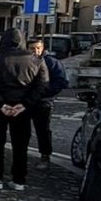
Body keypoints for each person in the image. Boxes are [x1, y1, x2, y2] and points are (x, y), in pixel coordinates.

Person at [0, 29, 49, 191]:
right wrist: (25, 104)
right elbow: (42, 85)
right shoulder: (37, 61)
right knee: (21, 145)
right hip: (23, 108)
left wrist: (2, 104)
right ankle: (19, 180)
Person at [27, 37, 68, 171]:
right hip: (25, 101)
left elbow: (60, 82)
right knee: (22, 129)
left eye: (38, 48)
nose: (36, 51)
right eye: (32, 48)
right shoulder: (25, 61)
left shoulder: (51, 62)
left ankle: (45, 156)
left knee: (43, 130)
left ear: (43, 48)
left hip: (43, 102)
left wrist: (44, 93)